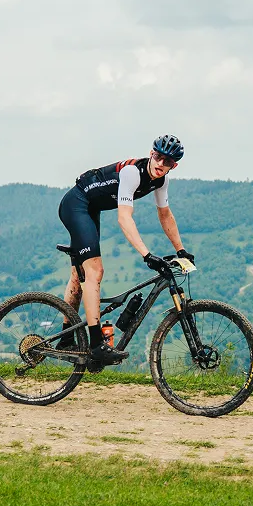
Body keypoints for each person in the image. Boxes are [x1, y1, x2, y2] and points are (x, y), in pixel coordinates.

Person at [57, 134, 195, 369]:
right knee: (95, 271)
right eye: (158, 157)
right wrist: (146, 254)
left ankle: (66, 339)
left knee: (78, 275)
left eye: (168, 162)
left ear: (175, 166)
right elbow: (124, 218)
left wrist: (181, 250)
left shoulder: (161, 181)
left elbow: (165, 215)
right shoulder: (133, 173)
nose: (161, 164)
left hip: (92, 209)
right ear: (151, 153)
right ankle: (97, 345)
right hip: (77, 203)